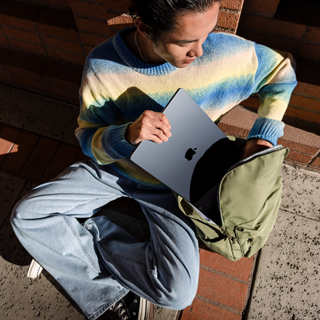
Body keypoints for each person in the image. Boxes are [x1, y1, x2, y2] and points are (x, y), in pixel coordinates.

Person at [11, 0, 297, 319]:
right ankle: (107, 293)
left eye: (208, 33)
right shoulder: (104, 65)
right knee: (27, 216)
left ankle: (74, 240)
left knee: (177, 293)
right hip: (114, 170)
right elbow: (88, 140)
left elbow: (281, 71)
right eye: (185, 42)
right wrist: (127, 135)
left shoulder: (227, 54)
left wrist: (264, 135)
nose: (200, 52)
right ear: (145, 28)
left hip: (175, 186)